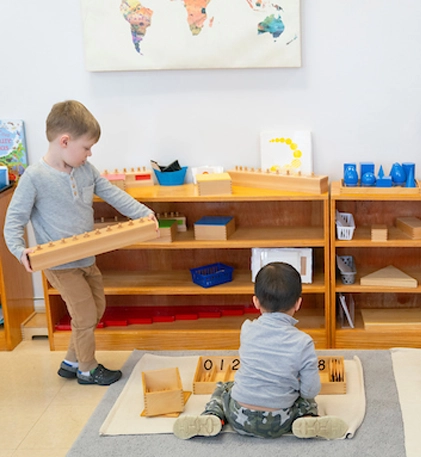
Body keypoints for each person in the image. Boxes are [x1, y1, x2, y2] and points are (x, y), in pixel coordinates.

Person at [4, 100, 158, 386]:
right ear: (65, 141)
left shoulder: (85, 170)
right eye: (86, 147)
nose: (89, 154)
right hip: (60, 264)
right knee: (85, 313)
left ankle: (71, 360)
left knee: (95, 308)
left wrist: (143, 213)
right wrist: (19, 251)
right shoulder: (35, 178)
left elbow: (112, 193)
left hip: (87, 258)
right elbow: (13, 221)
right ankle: (87, 368)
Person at [173, 262, 348, 440]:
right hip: (281, 421)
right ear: (298, 303)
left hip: (238, 416)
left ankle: (212, 416)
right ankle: (308, 418)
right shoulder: (303, 342)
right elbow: (310, 390)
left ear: (255, 301)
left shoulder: (247, 329)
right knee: (306, 400)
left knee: (224, 387)